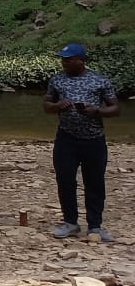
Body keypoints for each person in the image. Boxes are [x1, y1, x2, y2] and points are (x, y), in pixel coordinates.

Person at [44, 43, 120, 242]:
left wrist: (97, 111)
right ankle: (70, 223)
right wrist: (58, 106)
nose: (64, 63)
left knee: (94, 182)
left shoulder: (99, 80)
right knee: (65, 181)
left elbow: (115, 109)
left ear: (81, 60)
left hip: (94, 139)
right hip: (66, 138)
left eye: (69, 59)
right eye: (63, 59)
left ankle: (95, 226)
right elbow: (46, 106)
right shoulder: (57, 80)